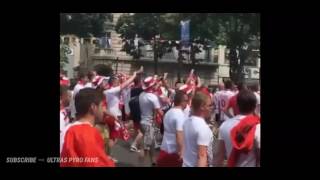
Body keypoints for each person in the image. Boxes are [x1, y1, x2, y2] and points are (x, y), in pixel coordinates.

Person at [60, 88, 115, 167]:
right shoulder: (87, 132)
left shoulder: (69, 128)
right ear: (93, 107)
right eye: (102, 106)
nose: (104, 110)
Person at [213, 90, 260, 167]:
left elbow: (219, 156)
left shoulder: (224, 125)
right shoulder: (258, 127)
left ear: (237, 106)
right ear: (255, 107)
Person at [157, 91, 188, 167]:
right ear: (182, 102)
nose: (187, 103)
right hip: (173, 152)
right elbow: (179, 134)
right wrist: (182, 151)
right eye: (186, 101)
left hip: (164, 148)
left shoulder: (169, 112)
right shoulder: (180, 114)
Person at [182, 92, 213, 167]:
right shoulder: (203, 128)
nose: (211, 108)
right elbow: (202, 156)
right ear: (202, 106)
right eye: (209, 105)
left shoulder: (186, 122)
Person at [139, 76, 163, 166]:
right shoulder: (152, 97)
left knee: (150, 145)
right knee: (147, 147)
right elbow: (160, 112)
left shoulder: (142, 94)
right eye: (154, 84)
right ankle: (144, 162)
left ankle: (153, 162)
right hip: (148, 123)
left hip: (143, 122)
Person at [129, 76, 144, 152]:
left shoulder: (132, 89)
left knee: (136, 129)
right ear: (139, 82)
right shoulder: (140, 90)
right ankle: (134, 144)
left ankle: (135, 145)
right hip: (138, 111)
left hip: (133, 111)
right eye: (141, 81)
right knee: (142, 131)